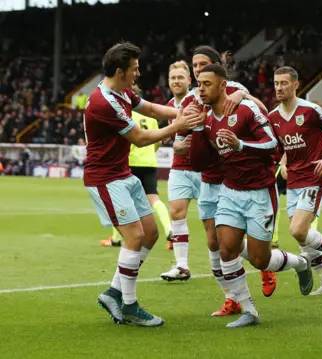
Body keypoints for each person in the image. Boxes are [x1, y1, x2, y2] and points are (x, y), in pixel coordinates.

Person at [86, 41, 203, 327]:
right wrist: (179, 126)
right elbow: (139, 137)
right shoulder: (104, 102)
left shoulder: (121, 91)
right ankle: (129, 305)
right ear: (119, 71)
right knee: (134, 237)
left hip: (123, 174)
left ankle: (114, 292)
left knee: (150, 232)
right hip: (105, 178)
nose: (138, 74)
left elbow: (150, 108)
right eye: (134, 69)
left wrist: (180, 113)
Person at [190, 64, 313, 328]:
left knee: (260, 259)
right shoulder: (206, 118)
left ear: (223, 86)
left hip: (260, 192)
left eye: (206, 84)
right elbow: (200, 163)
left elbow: (273, 145)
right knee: (225, 249)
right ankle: (249, 310)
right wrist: (198, 131)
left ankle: (301, 264)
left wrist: (240, 144)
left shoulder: (246, 110)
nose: (200, 89)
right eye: (199, 84)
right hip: (230, 191)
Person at [160, 47, 276, 317]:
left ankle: (267, 264)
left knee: (230, 245)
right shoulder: (190, 100)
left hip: (229, 177)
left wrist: (243, 95)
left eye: (203, 65)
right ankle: (232, 299)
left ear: (216, 69)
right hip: (204, 175)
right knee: (215, 243)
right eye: (194, 66)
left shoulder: (234, 91)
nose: (198, 70)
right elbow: (177, 136)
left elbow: (261, 112)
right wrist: (180, 142)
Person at [269, 66, 322, 295]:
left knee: (297, 230)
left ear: (295, 85)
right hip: (293, 180)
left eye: (284, 83)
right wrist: (283, 163)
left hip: (313, 179)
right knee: (303, 238)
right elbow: (282, 147)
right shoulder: (273, 117)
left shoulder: (311, 110)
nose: (279, 87)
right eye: (276, 83)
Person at [101, 87, 173, 249]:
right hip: (149, 162)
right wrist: (149, 154)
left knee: (120, 200)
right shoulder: (151, 117)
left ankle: (116, 238)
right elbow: (155, 141)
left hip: (129, 162)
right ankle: (170, 230)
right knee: (153, 198)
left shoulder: (124, 114)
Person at [159, 60, 201, 282]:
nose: (176, 81)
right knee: (176, 212)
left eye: (180, 77)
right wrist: (173, 142)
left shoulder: (198, 100)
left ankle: (227, 264)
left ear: (189, 80)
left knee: (213, 222)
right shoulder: (169, 106)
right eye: (173, 78)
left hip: (204, 169)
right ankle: (182, 266)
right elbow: (176, 137)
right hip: (180, 167)